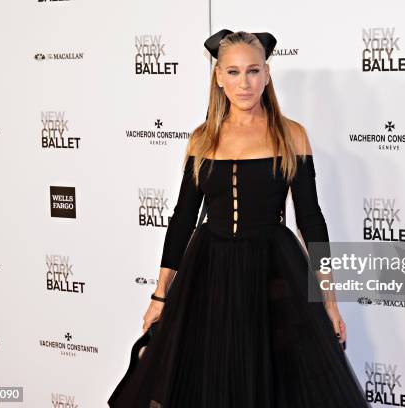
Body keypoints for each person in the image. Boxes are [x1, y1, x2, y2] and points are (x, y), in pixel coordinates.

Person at [108, 29, 370, 408]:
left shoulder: (291, 136)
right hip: (208, 273)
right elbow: (183, 219)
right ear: (218, 76)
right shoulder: (202, 139)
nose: (243, 83)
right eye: (232, 72)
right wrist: (160, 295)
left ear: (267, 74)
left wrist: (329, 300)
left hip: (272, 273)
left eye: (252, 71)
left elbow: (310, 219)